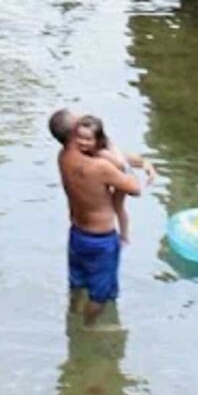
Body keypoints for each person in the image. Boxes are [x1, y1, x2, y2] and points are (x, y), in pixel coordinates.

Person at [51, 110, 146, 323]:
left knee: (77, 284)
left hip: (77, 235)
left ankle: (72, 316)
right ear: (75, 133)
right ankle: (88, 328)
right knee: (100, 296)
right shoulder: (98, 167)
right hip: (101, 241)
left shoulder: (63, 157)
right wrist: (122, 162)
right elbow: (134, 188)